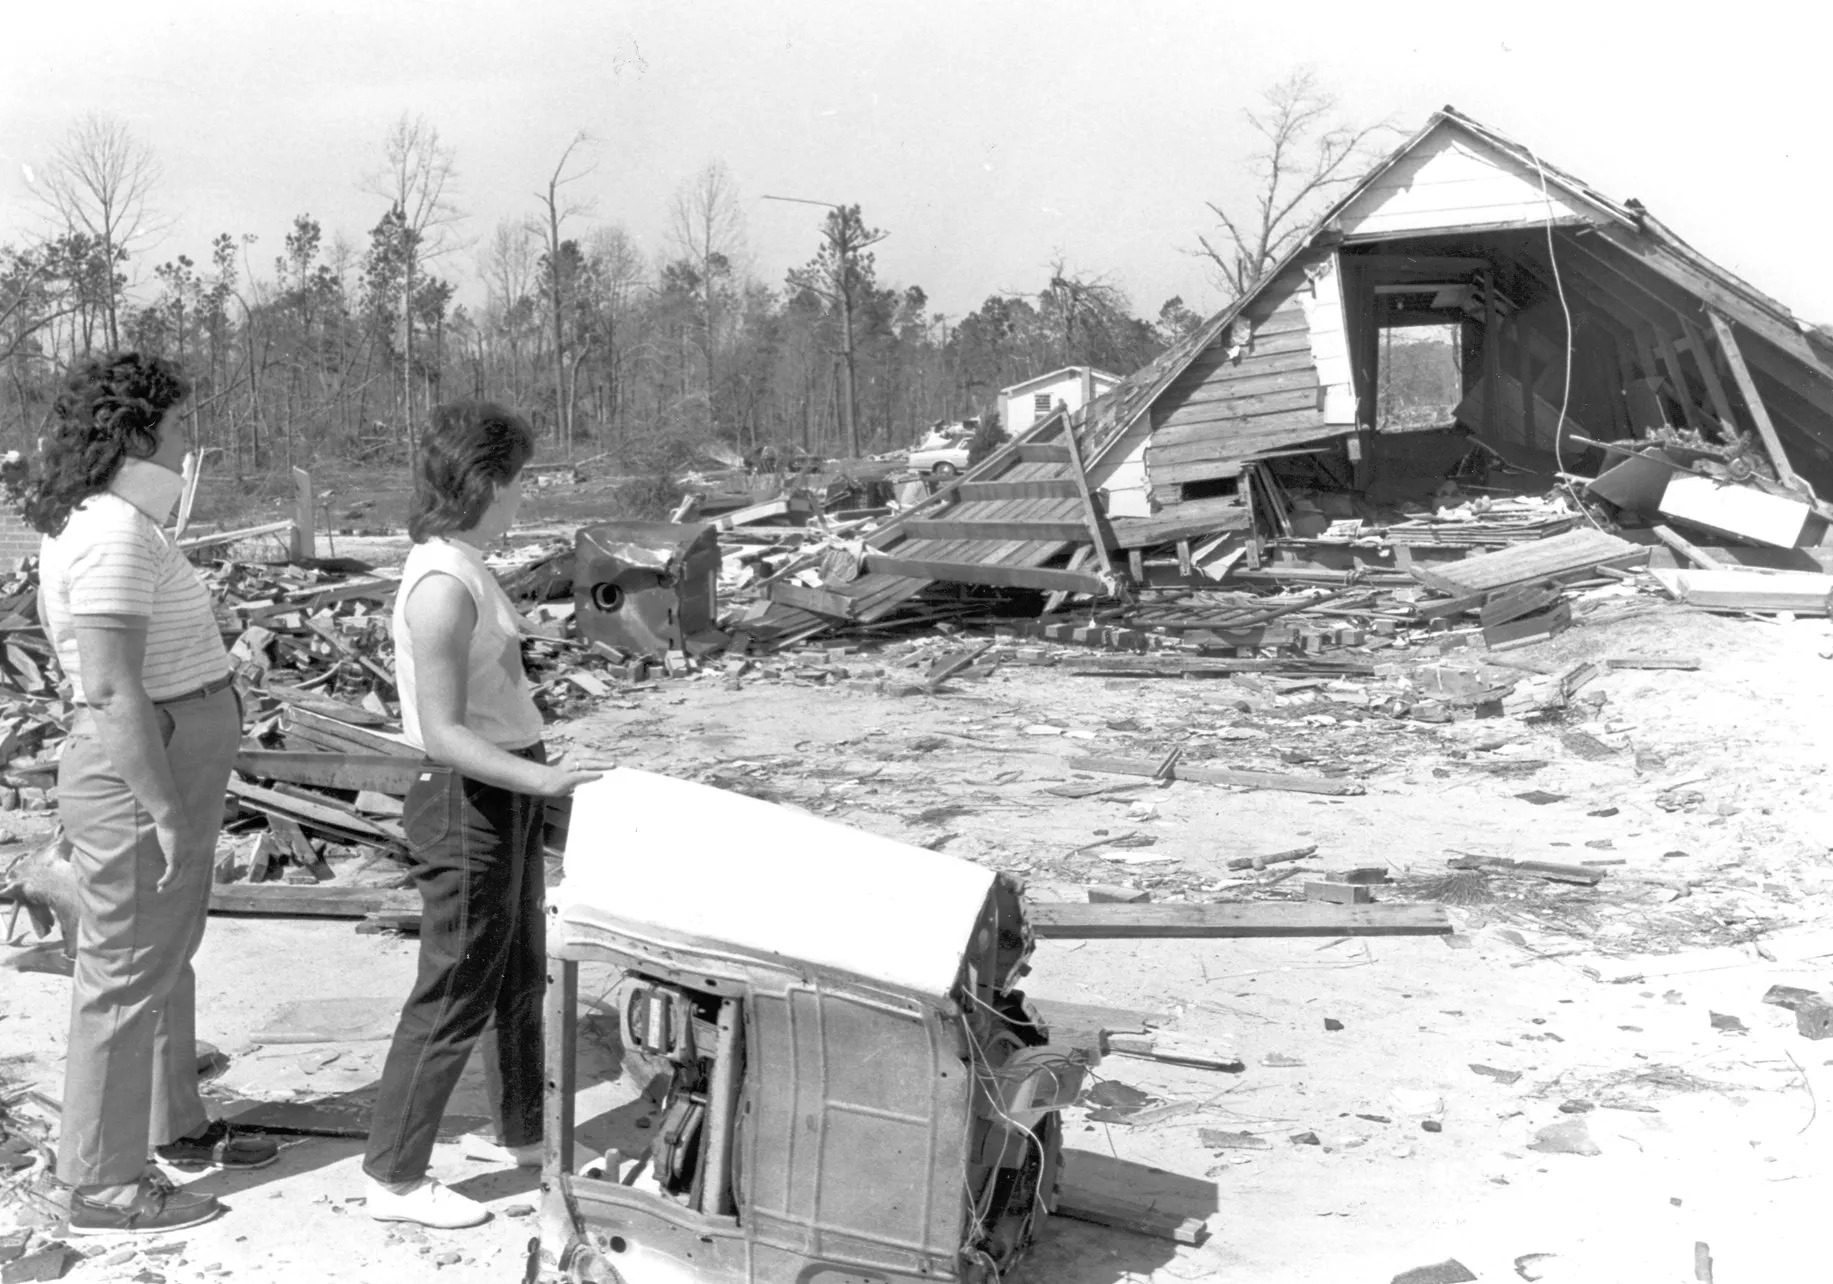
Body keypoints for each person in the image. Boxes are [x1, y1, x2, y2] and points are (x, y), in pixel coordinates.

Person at [28, 352, 277, 1237]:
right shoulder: (111, 532)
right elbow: (109, 688)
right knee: (125, 975)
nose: (187, 441)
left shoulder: (123, 520)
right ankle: (98, 1184)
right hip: (142, 769)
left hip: (171, 754)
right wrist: (164, 808)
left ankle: (171, 1125)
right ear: (131, 432)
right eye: (174, 427)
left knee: (164, 954)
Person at [362, 400, 601, 1229]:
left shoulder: (467, 562)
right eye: (519, 481)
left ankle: (519, 1132)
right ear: (485, 482)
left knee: (516, 969)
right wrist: (547, 785)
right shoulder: (439, 585)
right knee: (456, 986)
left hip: (507, 786)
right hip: (467, 799)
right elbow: (441, 733)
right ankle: (391, 1180)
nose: (524, 498)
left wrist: (536, 779)